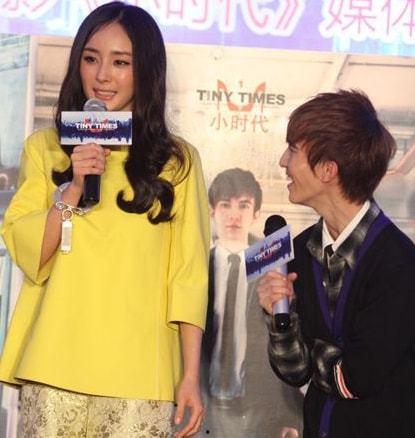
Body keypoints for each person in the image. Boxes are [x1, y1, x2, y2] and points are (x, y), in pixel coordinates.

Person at [0, 3, 209, 437]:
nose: (102, 75)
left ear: (145, 70)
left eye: (121, 62)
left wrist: (190, 375)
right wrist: (73, 189)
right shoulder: (45, 148)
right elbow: (29, 253)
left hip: (140, 374)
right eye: (91, 58)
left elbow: (188, 276)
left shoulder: (178, 162)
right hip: (54, 365)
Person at [257, 90, 415, 438]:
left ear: (328, 169)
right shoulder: (299, 251)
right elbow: (294, 371)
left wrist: (312, 348)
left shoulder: (399, 263)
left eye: (293, 150)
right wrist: (280, 319)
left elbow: (355, 378)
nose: (283, 161)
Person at [201, 168, 302, 437]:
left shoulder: (273, 266)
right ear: (212, 210)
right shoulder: (197, 265)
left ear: (256, 213)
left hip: (257, 408)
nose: (234, 215)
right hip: (202, 404)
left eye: (243, 205)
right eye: (225, 205)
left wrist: (289, 414)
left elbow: (286, 342)